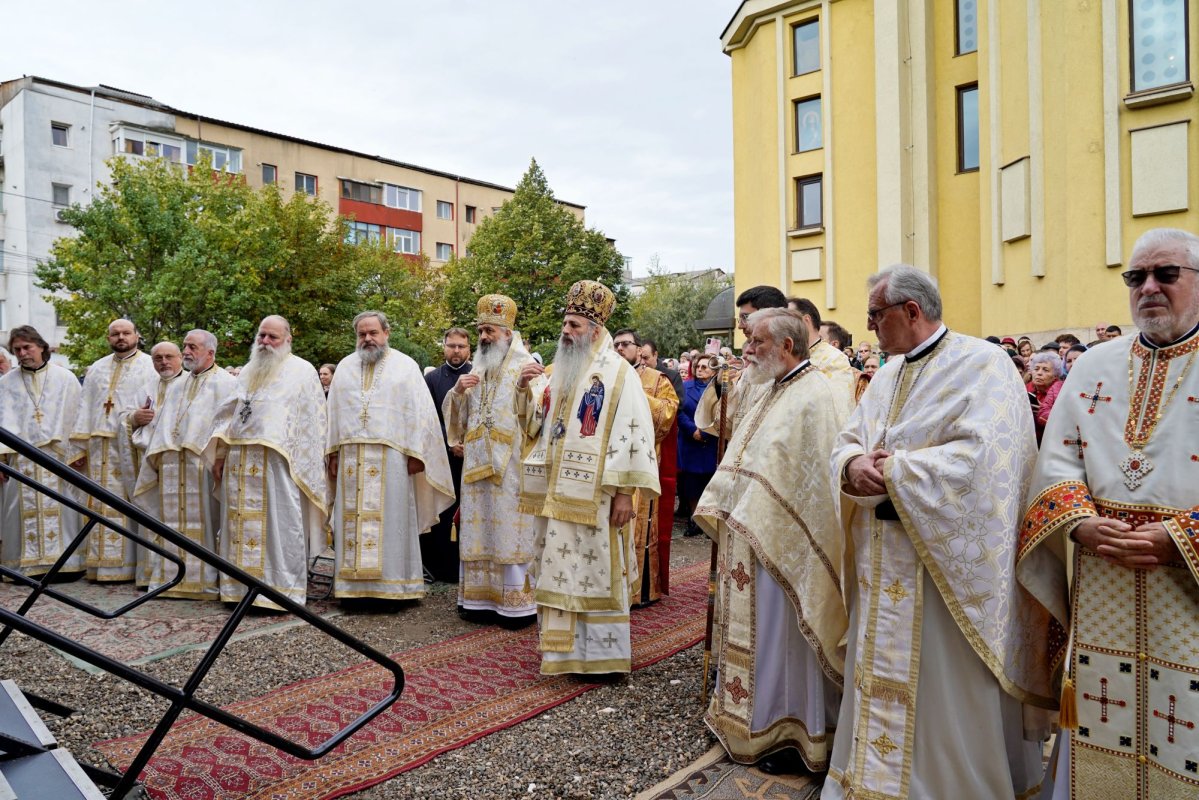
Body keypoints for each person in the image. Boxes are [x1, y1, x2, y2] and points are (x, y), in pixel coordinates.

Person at [826, 265, 1057, 800]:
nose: (869, 327)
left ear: (911, 311)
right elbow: (849, 438)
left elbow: (988, 463)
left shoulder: (984, 364)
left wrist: (894, 471)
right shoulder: (885, 375)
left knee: (945, 687)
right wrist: (851, 464)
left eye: (875, 315)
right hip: (883, 556)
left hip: (944, 566)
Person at [1023, 227, 1199, 799]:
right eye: (1135, 277)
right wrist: (1079, 523)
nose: (1148, 287)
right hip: (1102, 588)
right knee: (1100, 719)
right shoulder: (1095, 366)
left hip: (1186, 593)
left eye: (1165, 274)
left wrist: (1182, 538)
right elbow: (1057, 464)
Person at [697, 308, 848, 775]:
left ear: (787, 346)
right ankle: (751, 719)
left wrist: (763, 512)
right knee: (759, 637)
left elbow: (811, 480)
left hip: (785, 542)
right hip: (751, 534)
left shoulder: (816, 394)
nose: (748, 350)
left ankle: (790, 728)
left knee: (784, 638)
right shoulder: (773, 387)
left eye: (757, 342)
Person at [515, 280, 659, 676]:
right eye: (565, 323)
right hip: (555, 493)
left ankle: (601, 658)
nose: (566, 331)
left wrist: (626, 494)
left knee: (596, 570)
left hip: (597, 494)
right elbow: (535, 427)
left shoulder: (618, 373)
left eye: (574, 325)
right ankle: (561, 657)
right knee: (557, 565)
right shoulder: (556, 371)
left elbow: (633, 433)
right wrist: (526, 389)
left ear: (595, 331)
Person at [326, 311, 453, 601]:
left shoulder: (405, 366)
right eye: (362, 334)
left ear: (386, 333)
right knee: (352, 523)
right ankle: (352, 592)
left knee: (392, 524)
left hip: (394, 459)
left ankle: (394, 590)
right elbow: (333, 413)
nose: (368, 339)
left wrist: (419, 455)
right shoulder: (345, 367)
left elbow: (421, 413)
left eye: (373, 333)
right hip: (351, 460)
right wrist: (332, 452)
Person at [208, 315, 328, 609]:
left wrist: (303, 464)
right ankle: (237, 590)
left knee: (279, 527)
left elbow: (314, 423)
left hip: (279, 465)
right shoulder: (249, 369)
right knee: (238, 526)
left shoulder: (302, 371)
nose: (265, 342)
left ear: (287, 339)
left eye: (272, 337)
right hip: (240, 460)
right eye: (262, 335)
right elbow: (230, 413)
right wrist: (221, 453)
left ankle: (279, 593)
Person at [444, 295, 539, 622]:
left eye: (491, 331)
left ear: (508, 334)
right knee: (479, 532)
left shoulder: (527, 367)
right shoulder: (478, 368)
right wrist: (456, 393)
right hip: (475, 469)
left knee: (509, 533)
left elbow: (539, 419)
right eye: (481, 330)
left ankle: (515, 605)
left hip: (511, 469)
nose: (484, 337)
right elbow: (460, 419)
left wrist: (526, 389)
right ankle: (477, 601)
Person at [132, 330, 236, 599]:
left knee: (205, 523)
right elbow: (163, 425)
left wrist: (220, 454)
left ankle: (206, 581)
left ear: (210, 353)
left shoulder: (225, 383)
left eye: (193, 347)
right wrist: (156, 456)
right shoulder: (178, 384)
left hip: (200, 463)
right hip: (171, 464)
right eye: (185, 346)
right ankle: (170, 579)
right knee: (169, 524)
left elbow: (228, 424)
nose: (187, 351)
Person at [68, 318, 157, 582]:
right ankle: (100, 566)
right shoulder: (96, 368)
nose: (121, 337)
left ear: (136, 335)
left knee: (130, 501)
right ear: (108, 338)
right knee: (99, 502)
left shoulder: (149, 365)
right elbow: (85, 406)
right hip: (98, 447)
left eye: (126, 333)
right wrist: (78, 446)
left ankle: (129, 567)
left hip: (130, 446)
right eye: (115, 334)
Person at [0, 326, 83, 577]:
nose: (23, 353)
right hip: (20, 459)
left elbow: (77, 416)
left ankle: (67, 566)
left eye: (28, 347)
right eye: (17, 349)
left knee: (64, 509)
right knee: (17, 511)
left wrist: (78, 452)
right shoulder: (6, 383)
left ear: (42, 347)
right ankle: (23, 568)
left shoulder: (65, 377)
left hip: (57, 457)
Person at [613, 329, 678, 605]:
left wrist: (637, 394)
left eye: (625, 344)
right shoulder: (608, 376)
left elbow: (667, 413)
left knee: (640, 525)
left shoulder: (656, 379)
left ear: (639, 350)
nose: (619, 349)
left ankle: (642, 591)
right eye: (615, 345)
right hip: (614, 462)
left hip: (643, 462)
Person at [120, 340, 184, 586]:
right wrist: (134, 418)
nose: (164, 362)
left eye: (169, 356)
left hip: (180, 466)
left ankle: (182, 574)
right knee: (153, 518)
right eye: (158, 358)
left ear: (180, 358)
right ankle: (153, 574)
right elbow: (123, 417)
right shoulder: (144, 387)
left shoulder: (190, 384)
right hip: (148, 464)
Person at [695, 285, 788, 438]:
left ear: (768, 315)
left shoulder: (787, 366)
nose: (739, 325)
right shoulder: (753, 368)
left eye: (745, 317)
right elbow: (731, 424)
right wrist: (722, 386)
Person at [422, 327, 472, 582]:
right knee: (442, 512)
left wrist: (467, 443)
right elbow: (429, 417)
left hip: (472, 457)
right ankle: (442, 568)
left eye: (461, 346)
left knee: (469, 510)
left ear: (469, 348)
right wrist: (449, 442)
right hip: (442, 457)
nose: (456, 351)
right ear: (444, 347)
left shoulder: (478, 375)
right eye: (451, 345)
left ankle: (467, 567)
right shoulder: (432, 379)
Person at [676, 355, 718, 537]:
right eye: (698, 366)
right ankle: (695, 520)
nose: (699, 369)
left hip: (712, 443)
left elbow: (725, 413)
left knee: (710, 483)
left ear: (714, 370)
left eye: (704, 367)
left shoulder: (721, 390)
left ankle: (709, 520)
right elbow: (678, 411)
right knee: (691, 484)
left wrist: (707, 432)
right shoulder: (685, 388)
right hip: (690, 442)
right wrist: (692, 430)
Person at [787, 296, 856, 402]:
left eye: (787, 320)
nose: (781, 326)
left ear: (806, 320)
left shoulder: (835, 359)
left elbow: (837, 405)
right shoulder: (786, 356)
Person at [1027, 351, 1065, 444]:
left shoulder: (1061, 392)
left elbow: (1063, 422)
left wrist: (1044, 412)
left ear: (1055, 376)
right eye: (1036, 369)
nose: (1039, 373)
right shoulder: (1025, 389)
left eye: (1045, 370)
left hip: (1052, 442)